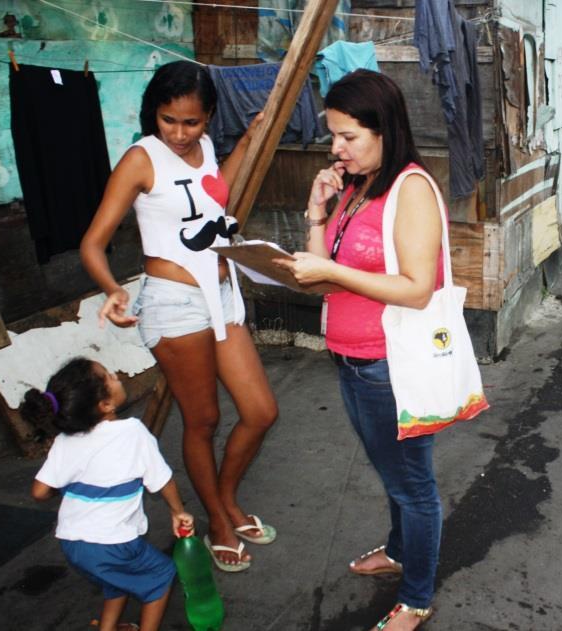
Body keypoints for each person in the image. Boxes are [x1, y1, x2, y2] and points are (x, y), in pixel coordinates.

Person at [80, 60, 278, 573]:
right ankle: (217, 518)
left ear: (208, 115)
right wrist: (111, 290)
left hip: (223, 293)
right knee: (203, 419)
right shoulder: (141, 159)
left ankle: (228, 498)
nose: (180, 133)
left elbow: (213, 193)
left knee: (260, 411)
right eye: (169, 120)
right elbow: (93, 243)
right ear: (155, 114)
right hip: (172, 303)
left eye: (192, 121)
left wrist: (250, 138)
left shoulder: (206, 147)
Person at [274, 69, 444, 630]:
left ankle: (416, 597)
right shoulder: (355, 187)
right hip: (350, 359)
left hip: (390, 364)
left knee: (413, 485)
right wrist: (317, 214)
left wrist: (331, 268)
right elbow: (320, 281)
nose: (336, 148)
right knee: (392, 473)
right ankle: (399, 551)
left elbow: (417, 289)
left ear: (384, 129)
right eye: (333, 135)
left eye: (348, 136)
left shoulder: (409, 188)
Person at [23, 358, 193, 631]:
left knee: (116, 578)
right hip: (113, 543)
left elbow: (40, 491)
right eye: (110, 377)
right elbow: (163, 480)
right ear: (106, 405)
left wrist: (75, 487)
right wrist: (177, 511)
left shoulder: (66, 440)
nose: (116, 375)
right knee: (161, 575)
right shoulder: (132, 432)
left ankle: (108, 627)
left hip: (73, 543)